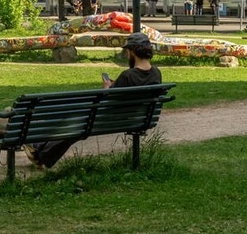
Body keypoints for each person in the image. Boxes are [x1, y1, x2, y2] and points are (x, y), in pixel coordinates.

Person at [32, 34, 162, 169]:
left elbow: (108, 101)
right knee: (77, 126)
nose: (127, 54)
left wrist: (106, 89)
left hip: (108, 120)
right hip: (137, 119)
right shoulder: (156, 73)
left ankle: (40, 151)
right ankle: (41, 153)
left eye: (128, 51)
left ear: (133, 51)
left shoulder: (128, 76)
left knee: (76, 124)